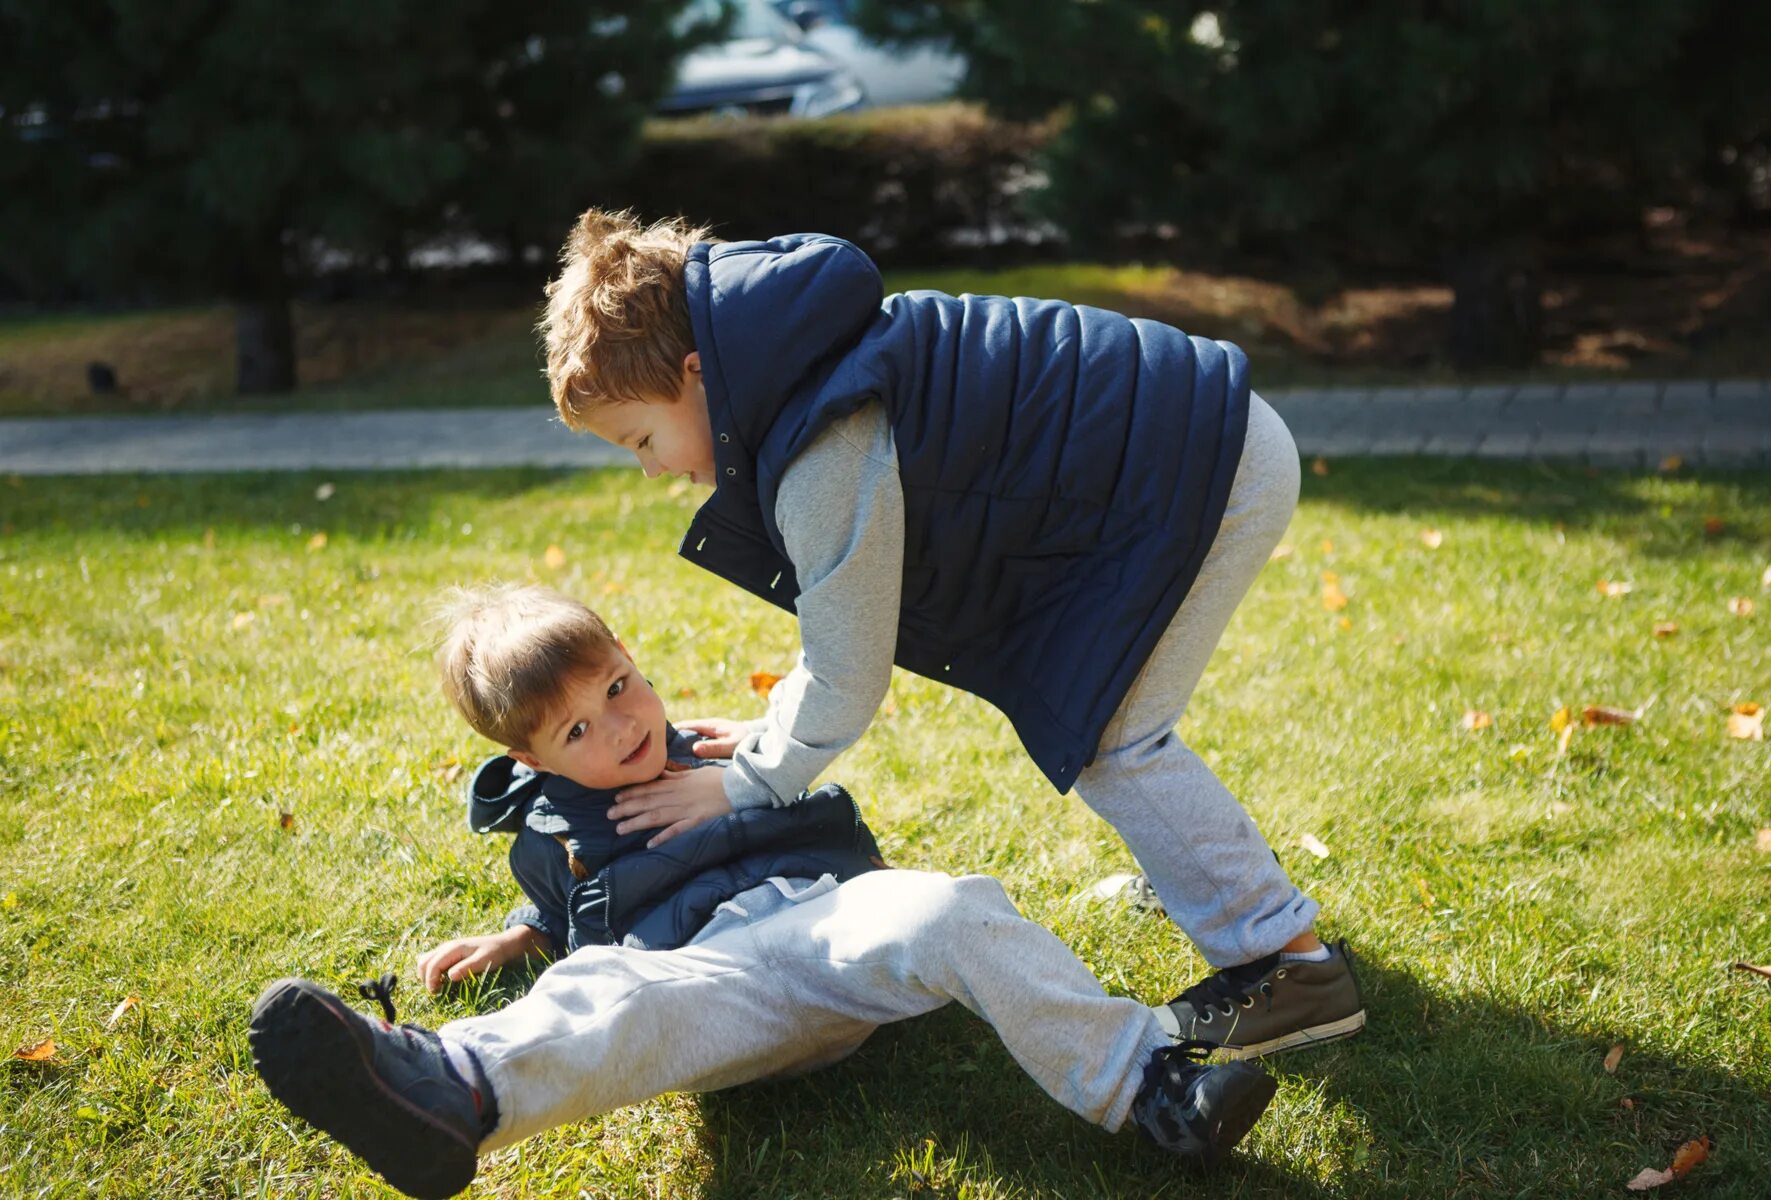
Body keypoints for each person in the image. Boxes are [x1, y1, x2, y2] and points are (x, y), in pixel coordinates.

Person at [536, 211, 1366, 1058]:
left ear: (698, 372)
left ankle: (1287, 969)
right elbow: (844, 611)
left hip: (1200, 472)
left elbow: (848, 671)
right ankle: (1209, 883)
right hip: (1190, 450)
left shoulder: (822, 441)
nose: (650, 469)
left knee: (1116, 737)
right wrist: (770, 734)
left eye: (643, 438)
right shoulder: (804, 367)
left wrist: (745, 784)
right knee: (1114, 711)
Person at [247, 586, 1278, 1200]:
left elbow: (835, 809)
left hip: (835, 930)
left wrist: (758, 769)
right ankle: (447, 1088)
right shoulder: (553, 836)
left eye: (618, 683)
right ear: (533, 757)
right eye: (577, 730)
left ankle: (1153, 1084)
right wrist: (520, 935)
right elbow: (563, 918)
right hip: (716, 985)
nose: (620, 726)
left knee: (953, 904)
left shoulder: (716, 748)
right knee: (614, 990)